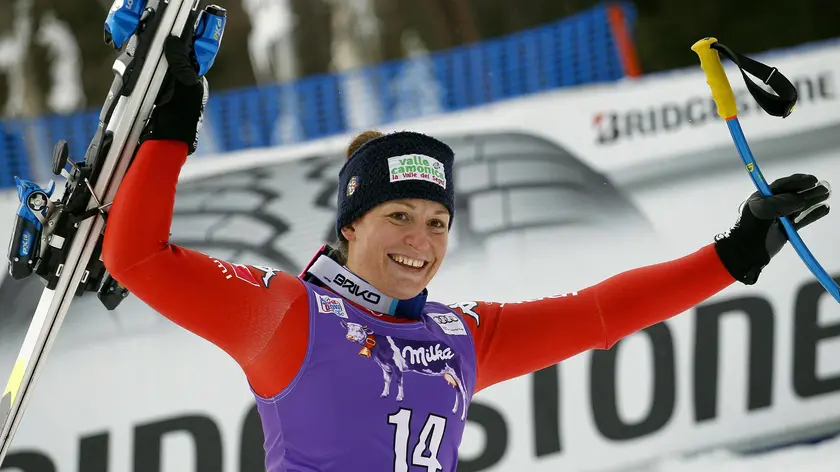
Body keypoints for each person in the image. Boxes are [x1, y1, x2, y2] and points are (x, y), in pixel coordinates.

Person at [102, 37, 831, 472]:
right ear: (349, 227)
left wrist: (734, 254)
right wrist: (169, 127)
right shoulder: (290, 314)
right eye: (397, 216)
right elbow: (135, 259)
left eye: (438, 221)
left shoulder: (457, 336)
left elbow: (598, 313)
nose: (421, 242)